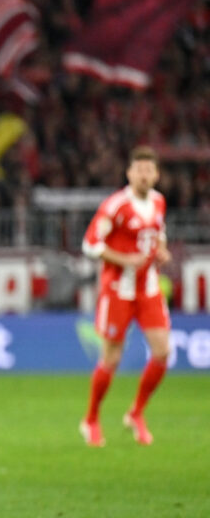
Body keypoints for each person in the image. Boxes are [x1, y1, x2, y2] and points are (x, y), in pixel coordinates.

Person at [80, 146, 171, 447]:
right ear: (129, 173)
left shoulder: (159, 202)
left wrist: (160, 250)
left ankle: (136, 413)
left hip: (148, 288)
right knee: (112, 358)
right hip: (118, 290)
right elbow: (90, 244)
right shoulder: (115, 206)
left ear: (156, 175)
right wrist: (122, 259)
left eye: (149, 171)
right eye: (139, 170)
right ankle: (91, 419)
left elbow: (157, 233)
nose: (144, 176)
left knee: (162, 352)